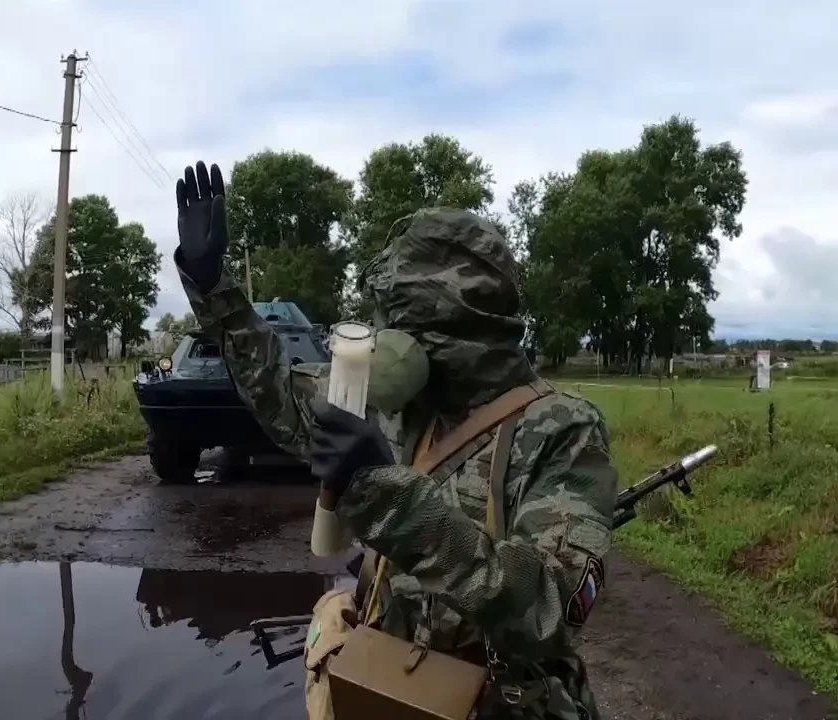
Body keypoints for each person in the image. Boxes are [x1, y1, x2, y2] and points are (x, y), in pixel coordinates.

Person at [172, 160, 618, 719]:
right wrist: (212, 286)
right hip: (390, 687)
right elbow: (282, 394)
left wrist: (387, 494)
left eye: (394, 323)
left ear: (443, 334)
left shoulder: (562, 430)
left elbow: (549, 607)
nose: (381, 338)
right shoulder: (401, 407)